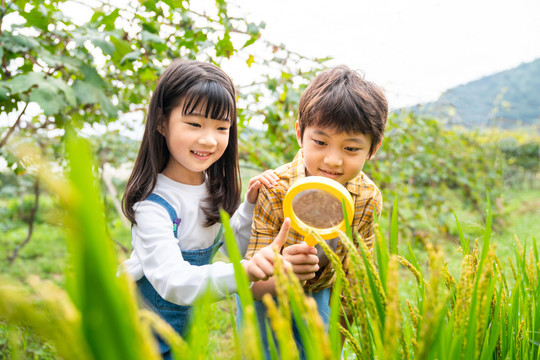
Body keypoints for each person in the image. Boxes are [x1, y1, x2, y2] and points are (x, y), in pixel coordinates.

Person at [118, 59, 293, 359]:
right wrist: (244, 272)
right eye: (195, 124)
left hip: (183, 330)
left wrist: (250, 206)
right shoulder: (152, 206)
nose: (209, 139)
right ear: (162, 122)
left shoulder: (212, 187)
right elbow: (175, 283)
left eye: (221, 127)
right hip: (138, 333)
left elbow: (233, 248)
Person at [242, 65, 388, 358]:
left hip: (321, 288)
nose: (332, 161)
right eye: (320, 142)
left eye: (351, 149)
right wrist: (283, 273)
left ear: (373, 149)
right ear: (300, 133)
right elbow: (250, 285)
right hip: (268, 292)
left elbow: (356, 278)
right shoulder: (275, 190)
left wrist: (338, 336)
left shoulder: (366, 199)